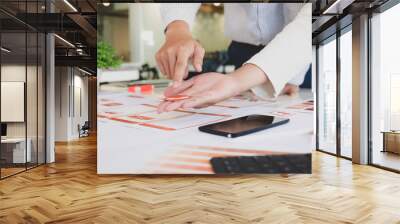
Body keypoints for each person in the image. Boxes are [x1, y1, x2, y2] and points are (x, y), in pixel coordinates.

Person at [156, 3, 311, 113]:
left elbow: (317, 18)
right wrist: (177, 26)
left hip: (308, 51)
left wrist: (237, 81)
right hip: (242, 52)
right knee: (244, 116)